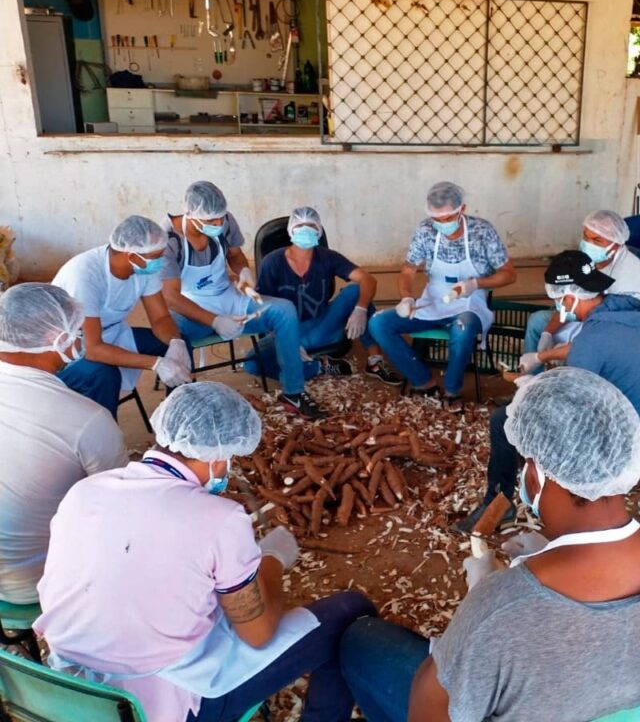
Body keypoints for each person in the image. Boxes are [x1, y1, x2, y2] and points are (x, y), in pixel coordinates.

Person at [336, 367, 640, 722]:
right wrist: (545, 557)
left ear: (534, 475)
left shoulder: (502, 608)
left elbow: (430, 710)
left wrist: (481, 602)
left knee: (357, 638)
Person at [34, 382, 376, 722]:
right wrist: (272, 560)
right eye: (230, 458)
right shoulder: (221, 519)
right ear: (217, 457)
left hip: (69, 695)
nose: (227, 468)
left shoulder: (85, 491)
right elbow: (258, 634)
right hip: (156, 707)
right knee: (351, 611)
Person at [455, 249, 640, 531]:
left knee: (504, 420)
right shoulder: (627, 309)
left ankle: (502, 502)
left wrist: (529, 386)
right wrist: (542, 357)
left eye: (558, 301)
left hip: (633, 439)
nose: (558, 308)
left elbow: (569, 401)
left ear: (570, 298)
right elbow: (594, 348)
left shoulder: (591, 340)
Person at [0, 283, 126, 605]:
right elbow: (119, 504)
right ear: (56, 339)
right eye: (77, 331)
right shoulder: (89, 420)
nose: (81, 339)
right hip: (37, 583)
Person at [161, 181, 327, 419]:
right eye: (210, 221)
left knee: (284, 311)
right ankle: (183, 411)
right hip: (190, 305)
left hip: (227, 296)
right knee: (172, 335)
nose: (218, 224)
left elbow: (236, 256)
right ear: (189, 213)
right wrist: (214, 320)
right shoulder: (169, 239)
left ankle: (293, 392)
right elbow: (170, 296)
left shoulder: (225, 221)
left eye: (220, 218)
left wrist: (244, 273)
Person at [368, 181, 516, 411]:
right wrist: (406, 298)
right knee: (378, 323)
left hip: (469, 301)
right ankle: (422, 380)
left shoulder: (482, 231)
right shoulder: (426, 230)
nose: (442, 224)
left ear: (462, 209)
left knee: (463, 327)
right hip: (432, 300)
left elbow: (509, 274)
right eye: (437, 219)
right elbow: (408, 270)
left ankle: (452, 389)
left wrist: (476, 283)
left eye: (448, 218)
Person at [51, 215, 192, 418]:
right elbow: (93, 350)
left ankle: (181, 418)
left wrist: (175, 343)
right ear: (132, 256)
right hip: (69, 352)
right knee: (102, 373)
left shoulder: (143, 268)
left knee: (179, 343)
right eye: (157, 256)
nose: (161, 262)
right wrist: (157, 363)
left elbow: (161, 318)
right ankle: (106, 432)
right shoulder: (84, 275)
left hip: (113, 333)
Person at [249, 206, 400, 386]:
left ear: (319, 231)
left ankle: (375, 362)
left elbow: (368, 280)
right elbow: (262, 306)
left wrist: (360, 309)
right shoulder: (273, 262)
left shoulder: (327, 257)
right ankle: (319, 366)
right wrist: (279, 338)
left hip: (322, 325)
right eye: (300, 226)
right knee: (252, 364)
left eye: (311, 226)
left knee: (355, 291)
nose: (305, 230)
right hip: (287, 332)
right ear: (290, 230)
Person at [523, 210, 640, 363]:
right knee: (538, 322)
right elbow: (569, 300)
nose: (589, 244)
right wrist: (547, 333)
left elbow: (604, 332)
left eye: (597, 240)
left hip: (620, 331)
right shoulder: (592, 259)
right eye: (586, 237)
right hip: (590, 315)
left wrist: (551, 354)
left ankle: (545, 369)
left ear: (616, 243)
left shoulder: (624, 277)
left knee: (574, 352)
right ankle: (530, 372)